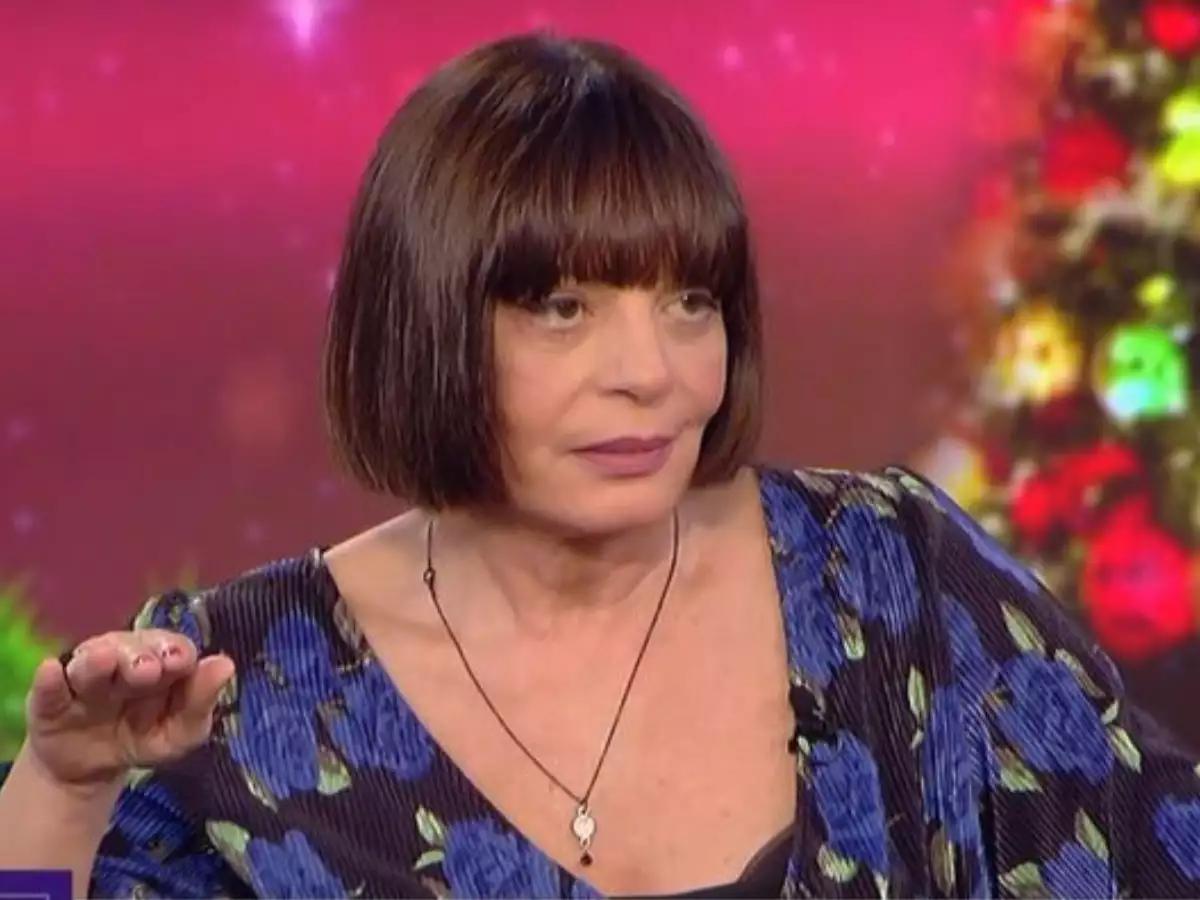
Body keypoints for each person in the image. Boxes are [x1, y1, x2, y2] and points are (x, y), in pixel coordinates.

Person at [3, 31, 1200, 900]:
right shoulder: (240, 688)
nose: (652, 374)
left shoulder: (892, 579)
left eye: (690, 303)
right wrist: (60, 792)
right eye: (563, 309)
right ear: (424, 325)